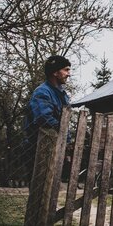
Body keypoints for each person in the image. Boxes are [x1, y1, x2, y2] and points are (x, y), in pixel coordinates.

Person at [22, 55, 71, 183]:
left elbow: (64, 120)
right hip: (39, 148)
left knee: (51, 188)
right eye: (66, 70)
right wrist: (64, 132)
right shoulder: (42, 92)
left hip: (55, 146)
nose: (68, 74)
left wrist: (66, 140)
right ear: (55, 72)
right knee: (40, 187)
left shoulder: (62, 95)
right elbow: (44, 118)